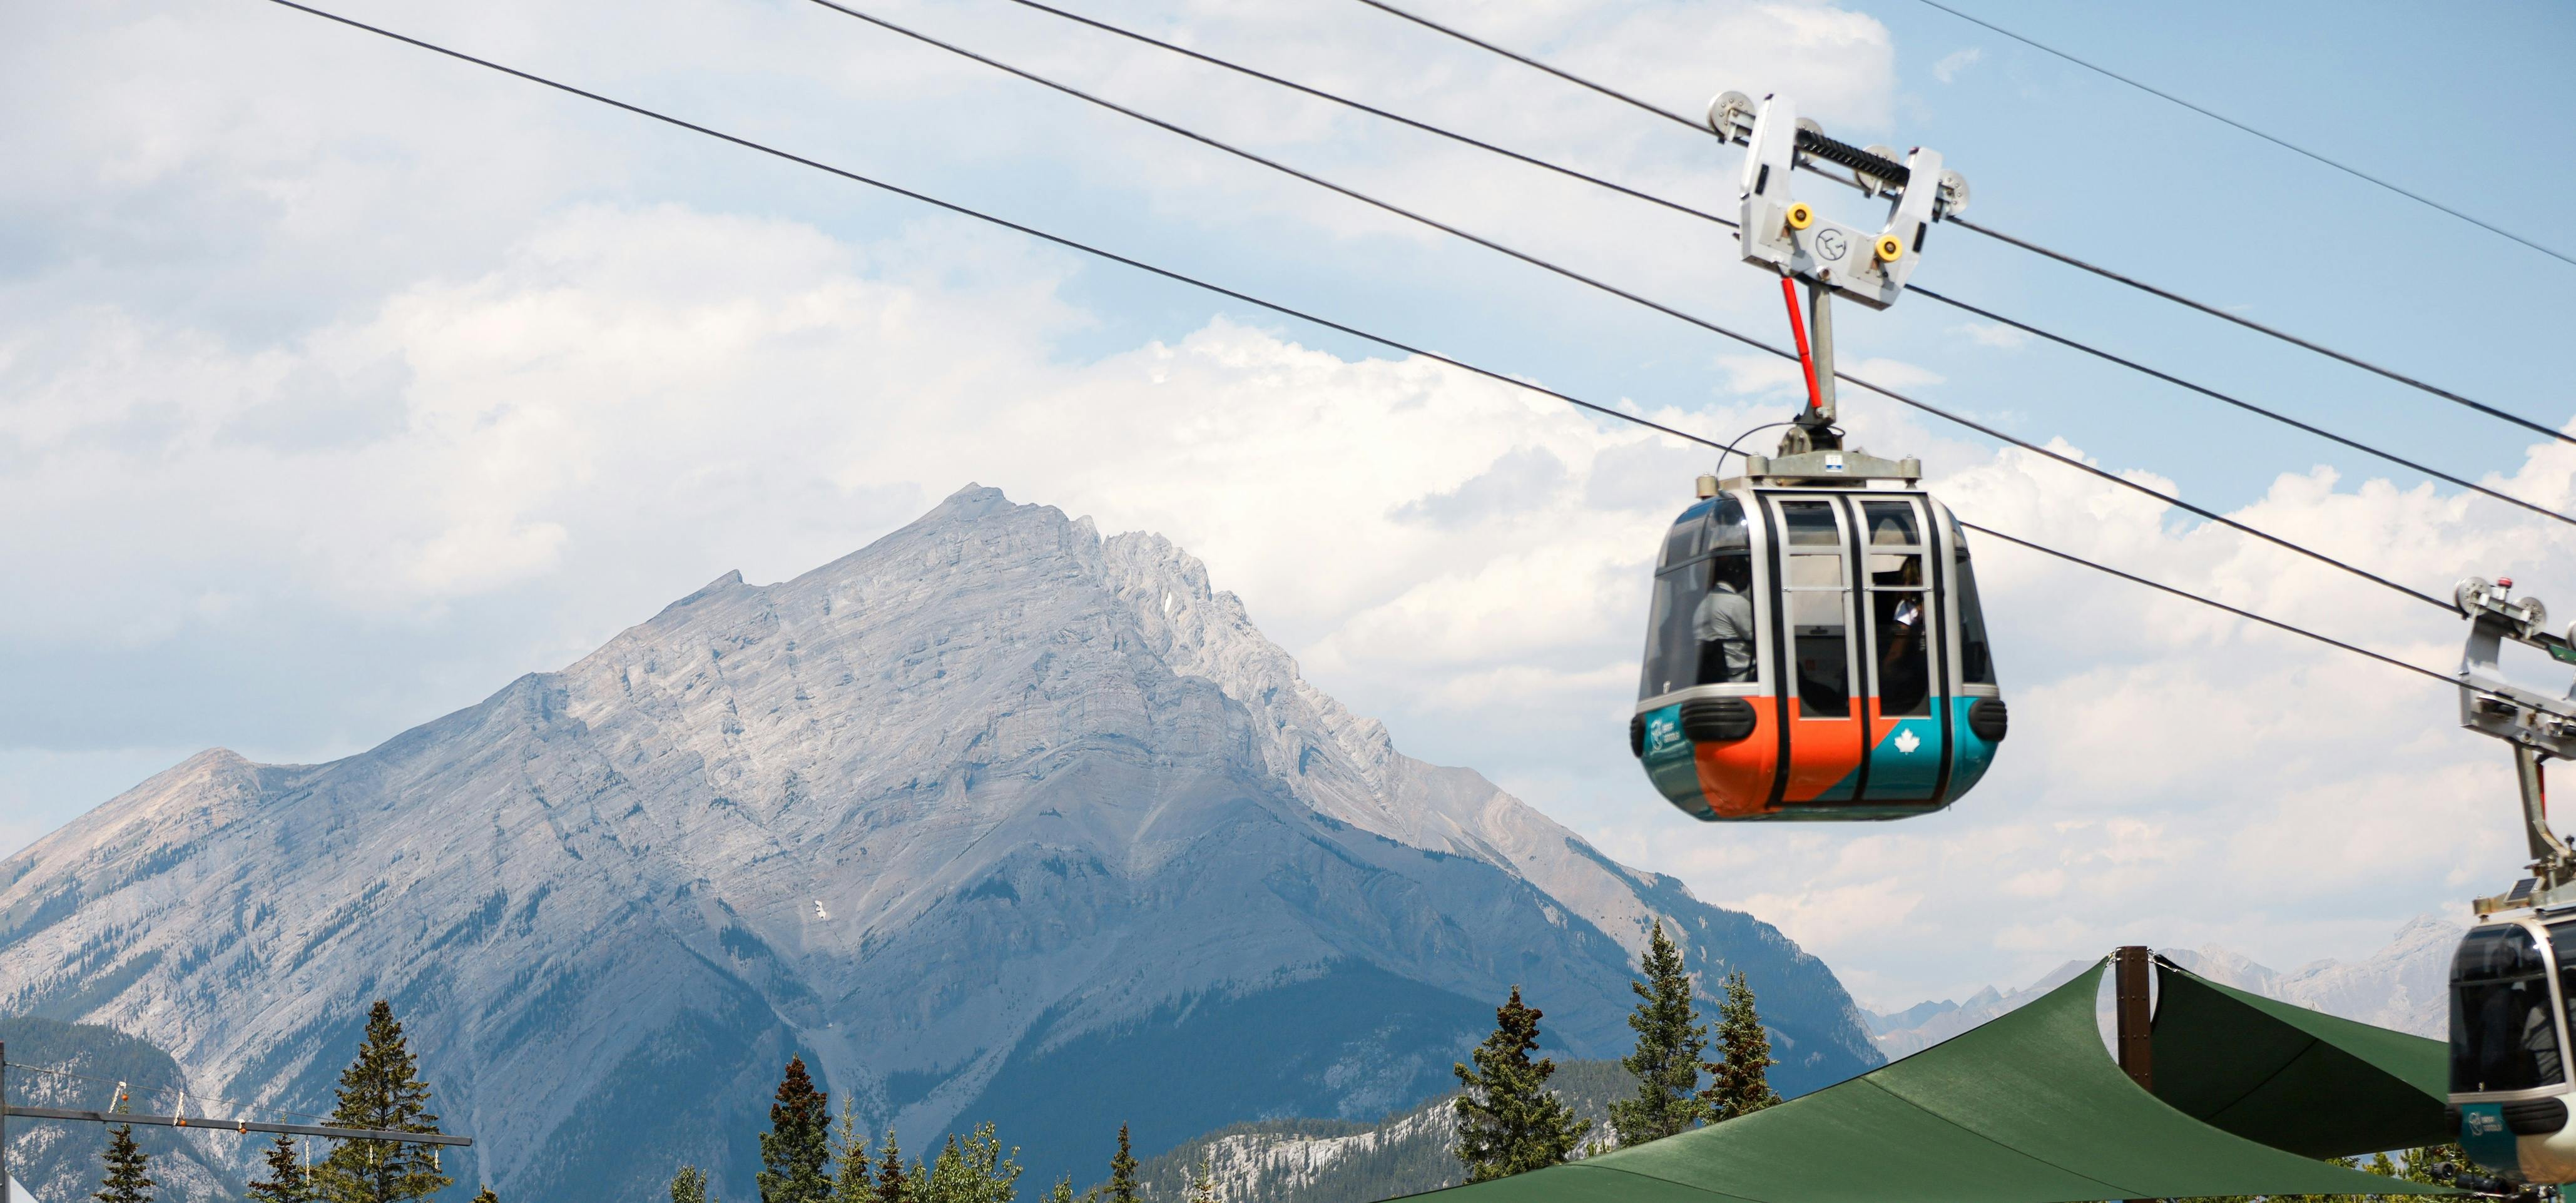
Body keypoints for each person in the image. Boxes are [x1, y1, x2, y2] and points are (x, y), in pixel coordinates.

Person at [1692, 554, 1756, 683]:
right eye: (1746, 574)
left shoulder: (1701, 608)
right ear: (1737, 574)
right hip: (1745, 675)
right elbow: (1763, 640)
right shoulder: (1735, 603)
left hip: (1717, 678)